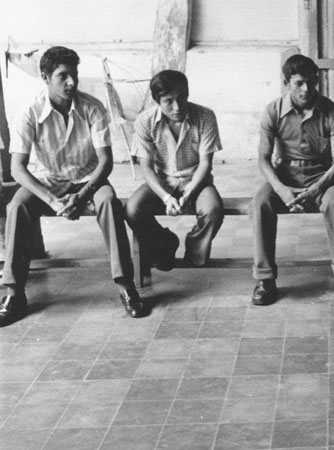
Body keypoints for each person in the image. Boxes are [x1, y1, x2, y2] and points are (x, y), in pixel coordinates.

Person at [0, 46, 146, 326]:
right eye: (63, 76)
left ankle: (126, 286)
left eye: (74, 75)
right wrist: (52, 200)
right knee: (17, 206)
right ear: (45, 77)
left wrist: (83, 194)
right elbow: (17, 167)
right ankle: (14, 294)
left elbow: (105, 162)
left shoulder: (93, 107)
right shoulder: (29, 111)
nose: (71, 82)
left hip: (88, 180)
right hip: (47, 181)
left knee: (109, 202)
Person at [249, 54, 334, 305]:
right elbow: (263, 159)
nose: (306, 89)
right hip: (284, 174)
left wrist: (317, 188)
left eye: (311, 82)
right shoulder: (273, 111)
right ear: (287, 83)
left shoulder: (332, 111)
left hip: (321, 175)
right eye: (298, 83)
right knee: (259, 203)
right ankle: (265, 278)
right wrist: (281, 190)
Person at [125, 70, 224, 270]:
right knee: (132, 209)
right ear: (157, 101)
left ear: (187, 94)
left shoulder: (205, 116)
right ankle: (164, 242)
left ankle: (194, 251)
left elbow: (205, 164)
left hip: (197, 181)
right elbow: (147, 168)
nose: (177, 107)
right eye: (168, 101)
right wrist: (166, 197)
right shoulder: (144, 121)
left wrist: (189, 192)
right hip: (163, 181)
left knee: (213, 210)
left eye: (181, 98)